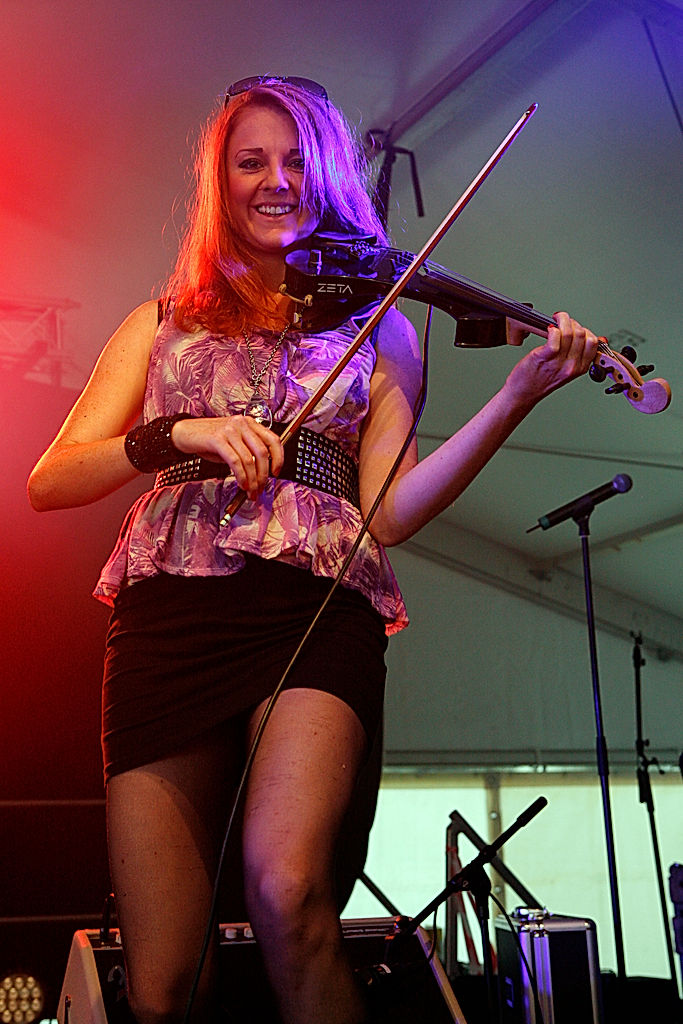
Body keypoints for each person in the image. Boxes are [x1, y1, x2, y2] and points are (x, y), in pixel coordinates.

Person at [28, 76, 599, 1024]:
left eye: (297, 160)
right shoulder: (159, 324)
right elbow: (52, 480)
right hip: (169, 619)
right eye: (251, 161)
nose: (276, 180)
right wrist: (182, 434)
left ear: (329, 173)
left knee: (288, 895)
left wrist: (514, 397)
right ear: (222, 180)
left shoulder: (380, 329)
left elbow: (391, 511)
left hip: (313, 605)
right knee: (163, 986)